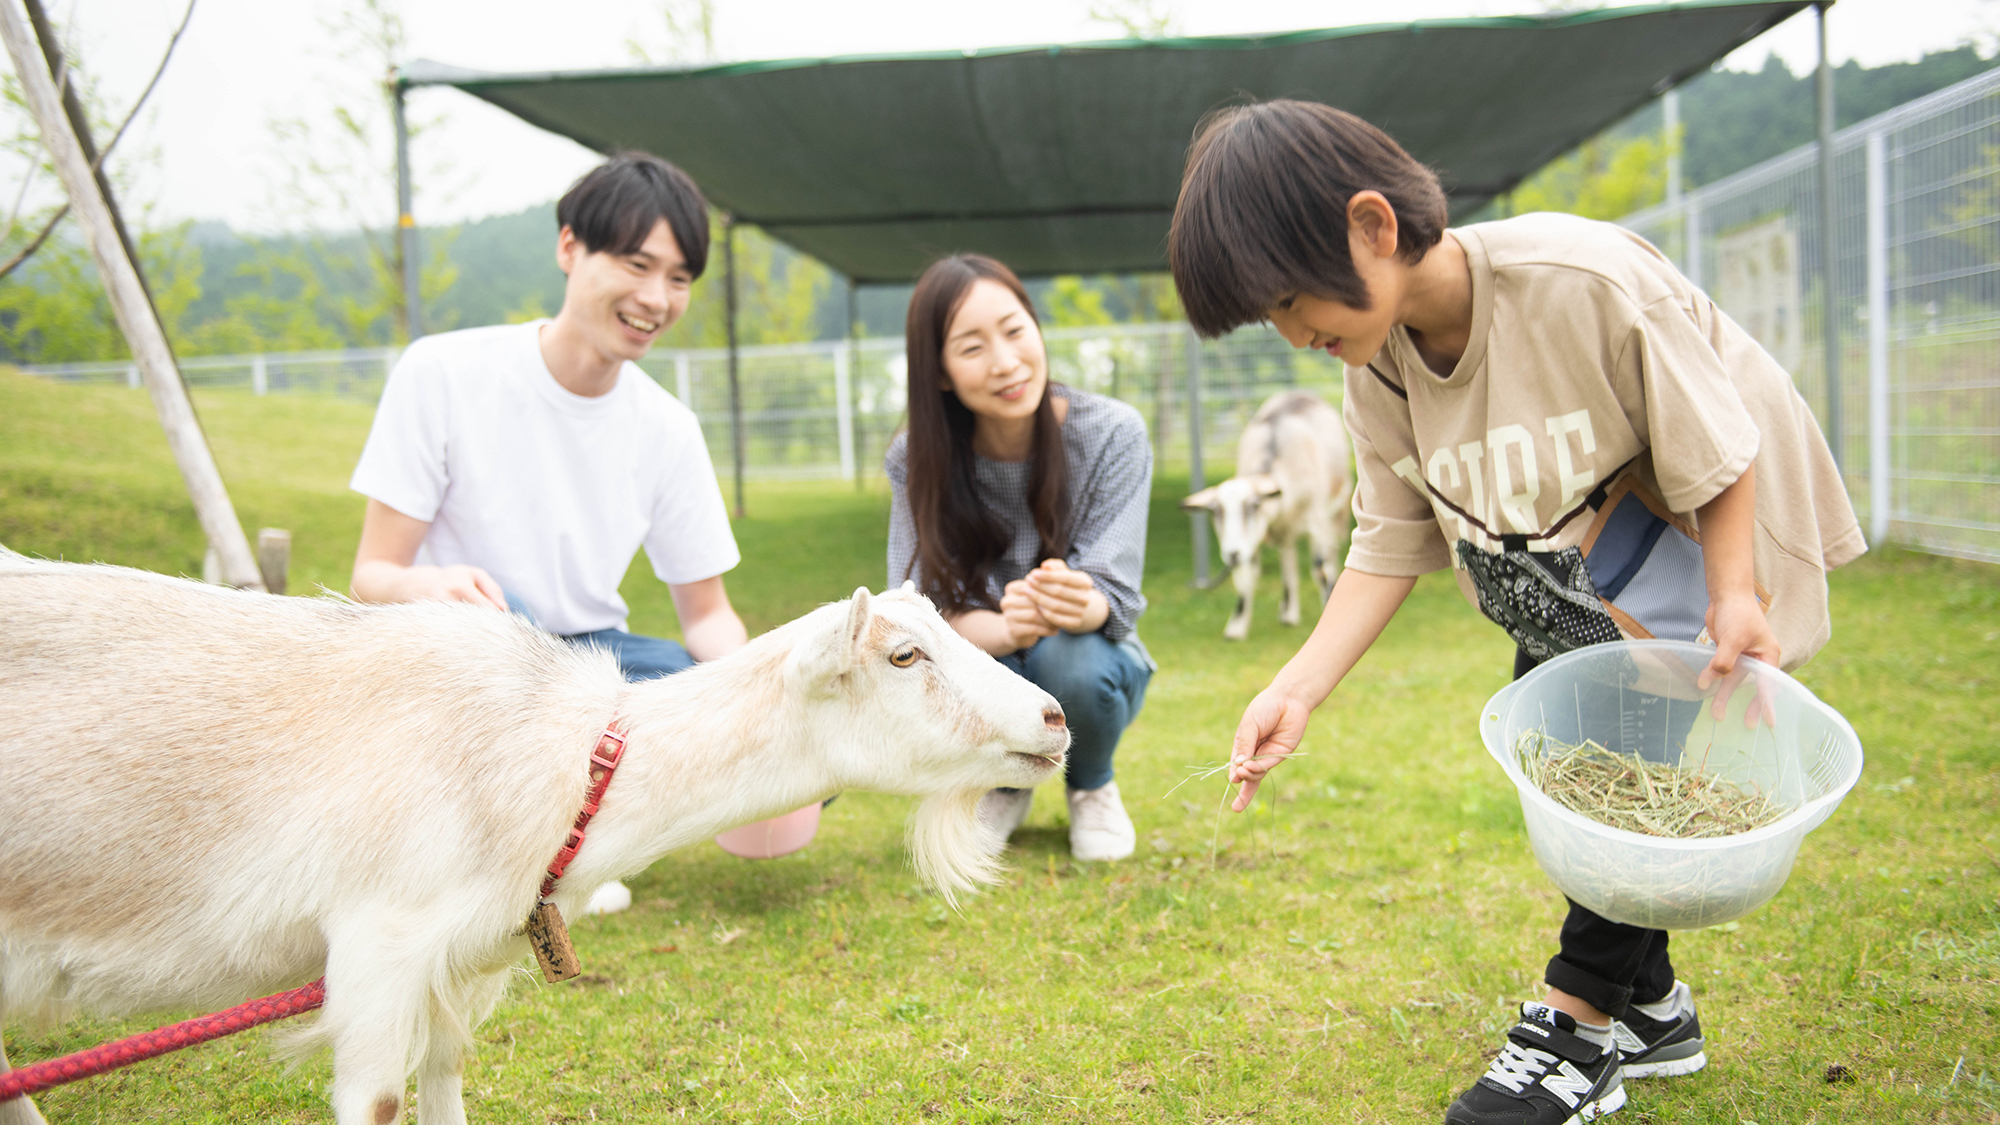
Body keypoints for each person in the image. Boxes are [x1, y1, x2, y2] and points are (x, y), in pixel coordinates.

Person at [1168, 101, 1863, 1124]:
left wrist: (1729, 598)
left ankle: (1573, 1027)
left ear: (1371, 225)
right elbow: (1387, 538)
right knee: (1570, 759)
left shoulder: (1577, 282)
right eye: (1265, 320)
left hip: (1706, 549)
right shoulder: (1378, 365)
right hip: (1569, 585)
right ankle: (1655, 1009)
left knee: (1630, 767)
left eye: (1286, 298)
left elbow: (1716, 444)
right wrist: (1292, 689)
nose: (1290, 335)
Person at [348, 152, 817, 910]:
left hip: (592, 663)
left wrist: (764, 710)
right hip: (463, 651)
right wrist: (426, 582)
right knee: (516, 638)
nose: (655, 298)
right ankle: (547, 846)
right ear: (570, 248)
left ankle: (566, 829)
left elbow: (708, 615)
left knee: (685, 686)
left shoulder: (666, 427)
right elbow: (372, 575)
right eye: (636, 264)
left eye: (678, 278)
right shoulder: (442, 373)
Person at [885, 254, 1155, 863]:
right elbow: (916, 611)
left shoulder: (1113, 433)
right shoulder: (916, 459)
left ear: (1036, 328)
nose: (1006, 362)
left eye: (1014, 330)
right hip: (981, 655)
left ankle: (1092, 784)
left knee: (1072, 660)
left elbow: (1115, 601)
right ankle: (1004, 781)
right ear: (943, 373)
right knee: (961, 663)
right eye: (972, 347)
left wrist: (1073, 602)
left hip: (1090, 656)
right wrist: (1008, 627)